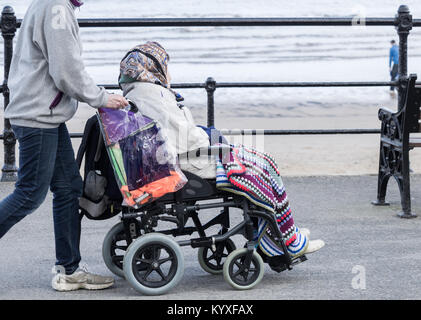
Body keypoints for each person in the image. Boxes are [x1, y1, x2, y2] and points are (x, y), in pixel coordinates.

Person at [119, 41, 325, 259]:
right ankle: (284, 241)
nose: (169, 72)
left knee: (260, 161)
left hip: (177, 159)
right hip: (192, 163)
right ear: (153, 67)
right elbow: (186, 140)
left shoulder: (135, 93)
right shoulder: (154, 96)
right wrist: (212, 140)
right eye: (166, 66)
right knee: (264, 165)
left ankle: (284, 233)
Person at [0, 0, 128, 291]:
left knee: (69, 187)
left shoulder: (51, 3)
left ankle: (69, 269)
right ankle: (69, 268)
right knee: (30, 193)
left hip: (44, 114)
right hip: (37, 115)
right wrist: (100, 98)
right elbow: (66, 69)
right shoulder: (57, 7)